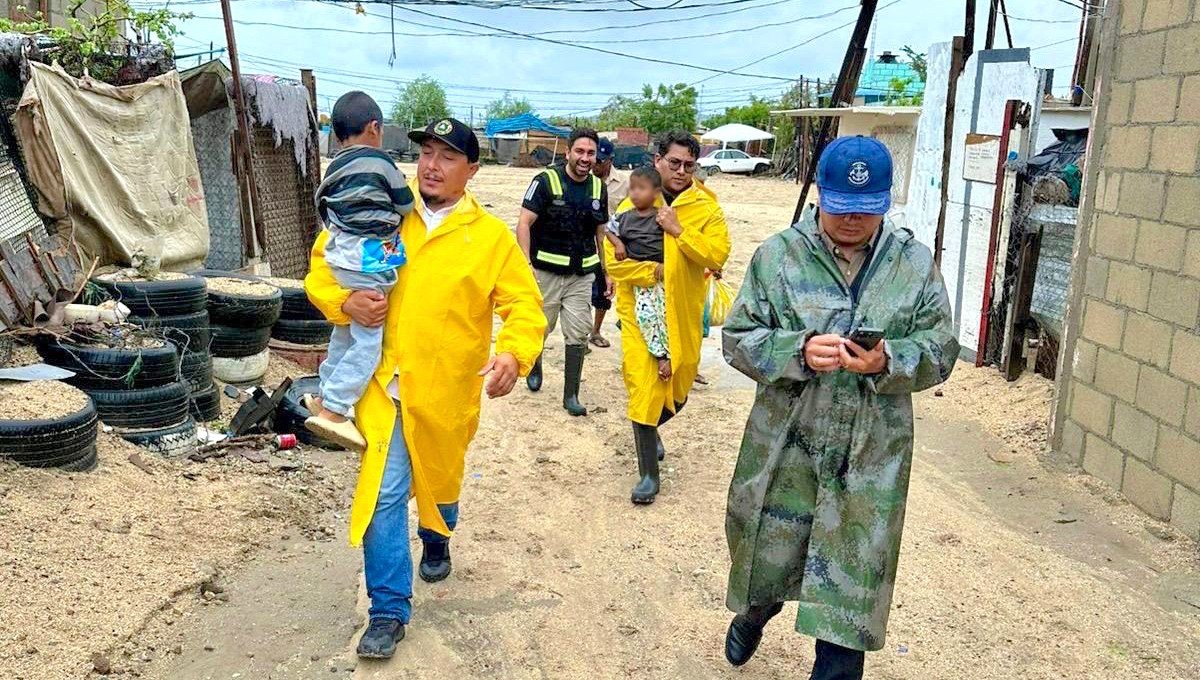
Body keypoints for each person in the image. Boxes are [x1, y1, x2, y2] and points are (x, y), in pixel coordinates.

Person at [305, 117, 545, 660]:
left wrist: (513, 353)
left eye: (447, 157)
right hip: (382, 386)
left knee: (440, 481)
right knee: (384, 492)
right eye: (427, 153)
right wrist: (344, 302)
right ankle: (389, 610)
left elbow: (524, 306)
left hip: (446, 392)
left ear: (472, 170)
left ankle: (438, 535)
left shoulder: (489, 239)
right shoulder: (386, 213)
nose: (431, 166)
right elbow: (323, 266)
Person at [720, 136, 958, 678]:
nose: (853, 219)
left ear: (886, 202)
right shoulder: (777, 257)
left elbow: (941, 347)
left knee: (850, 592)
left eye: (866, 209)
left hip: (871, 452)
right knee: (771, 553)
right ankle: (758, 610)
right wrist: (797, 350)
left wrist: (888, 359)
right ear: (819, 196)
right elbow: (737, 338)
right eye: (841, 206)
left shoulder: (913, 264)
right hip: (788, 442)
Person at [604, 130, 730, 504]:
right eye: (674, 162)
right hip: (641, 315)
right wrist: (652, 272)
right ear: (658, 160)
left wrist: (679, 230)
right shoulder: (634, 203)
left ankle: (651, 426)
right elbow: (614, 262)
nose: (681, 171)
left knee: (680, 386)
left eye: (689, 165)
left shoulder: (706, 207)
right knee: (645, 388)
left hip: (685, 313)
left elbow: (717, 255)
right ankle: (648, 475)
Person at [304, 91, 415, 452]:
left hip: (341, 257)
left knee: (345, 335)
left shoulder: (333, 168)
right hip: (369, 262)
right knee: (368, 343)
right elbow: (405, 204)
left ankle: (323, 395)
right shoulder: (381, 163)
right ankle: (336, 409)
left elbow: (322, 206)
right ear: (374, 127)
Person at [517, 127, 610, 416]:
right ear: (568, 152)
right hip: (546, 273)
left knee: (579, 332)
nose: (585, 158)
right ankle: (535, 364)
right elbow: (523, 223)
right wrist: (526, 265)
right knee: (541, 326)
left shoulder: (598, 188)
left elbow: (600, 234)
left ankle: (571, 395)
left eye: (590, 153)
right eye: (579, 151)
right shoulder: (545, 181)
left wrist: (606, 272)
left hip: (581, 275)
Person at [605, 166, 671, 381]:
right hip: (640, 281)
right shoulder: (624, 217)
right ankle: (660, 355)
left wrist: (666, 264)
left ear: (656, 192)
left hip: (662, 278)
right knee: (646, 316)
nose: (635, 193)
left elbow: (675, 242)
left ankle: (670, 355)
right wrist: (618, 244)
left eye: (641, 188)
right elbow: (608, 230)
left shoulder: (661, 217)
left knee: (666, 317)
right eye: (632, 188)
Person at [589, 137, 629, 349]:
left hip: (611, 246)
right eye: (594, 159)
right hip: (585, 243)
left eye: (599, 161)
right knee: (580, 290)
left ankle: (595, 331)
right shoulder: (584, 179)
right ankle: (579, 334)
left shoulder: (625, 183)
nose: (594, 164)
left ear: (610, 160)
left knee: (604, 291)